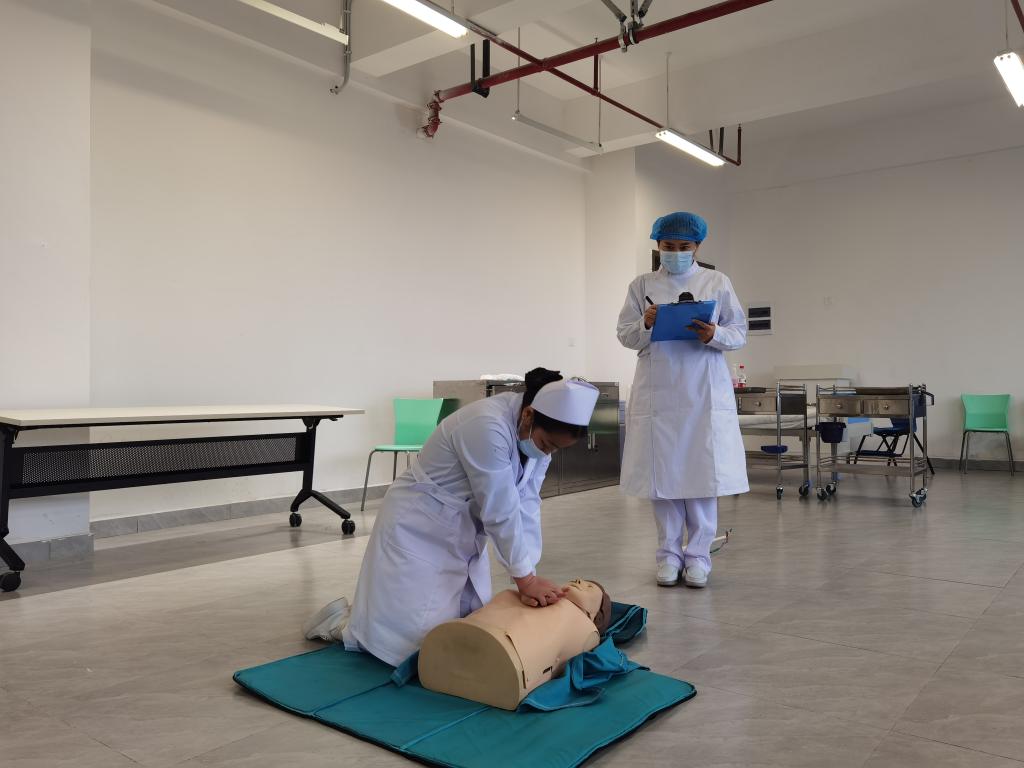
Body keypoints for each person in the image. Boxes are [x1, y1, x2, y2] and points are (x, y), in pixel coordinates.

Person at [343, 369, 600, 666]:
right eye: (546, 445)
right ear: (529, 415)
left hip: (459, 523)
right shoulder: (486, 425)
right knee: (408, 638)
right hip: (418, 523)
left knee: (461, 626)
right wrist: (527, 580)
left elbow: (527, 503)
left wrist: (529, 570)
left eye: (554, 449)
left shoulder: (537, 438)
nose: (546, 453)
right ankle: (358, 635)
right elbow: (500, 509)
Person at [616, 211, 748, 589]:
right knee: (664, 479)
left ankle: (699, 557)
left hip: (701, 391)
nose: (675, 253)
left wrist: (713, 334)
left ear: (697, 247)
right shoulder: (641, 285)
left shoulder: (716, 282)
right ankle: (668, 556)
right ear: (657, 245)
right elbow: (625, 334)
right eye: (668, 246)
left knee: (701, 476)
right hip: (658, 393)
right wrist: (646, 322)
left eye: (683, 246)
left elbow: (739, 332)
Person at [418, 579, 611, 710]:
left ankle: (485, 654)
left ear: (596, 615)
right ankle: (468, 638)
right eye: (578, 580)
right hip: (472, 633)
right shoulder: (533, 594)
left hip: (509, 655)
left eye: (589, 587)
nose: (578, 581)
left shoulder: (587, 628)